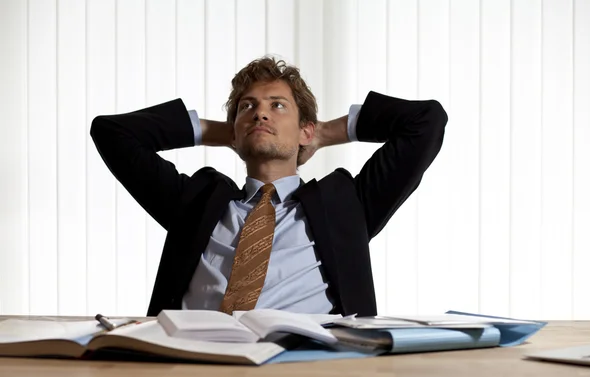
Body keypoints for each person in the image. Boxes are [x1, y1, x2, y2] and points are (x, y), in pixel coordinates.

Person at [90, 56, 447, 317]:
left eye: (278, 106)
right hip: (194, 363)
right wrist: (225, 132)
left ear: (305, 129)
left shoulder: (347, 205)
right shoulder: (196, 202)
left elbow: (426, 122)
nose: (261, 114)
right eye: (248, 107)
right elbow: (113, 133)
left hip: (308, 364)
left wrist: (323, 133)